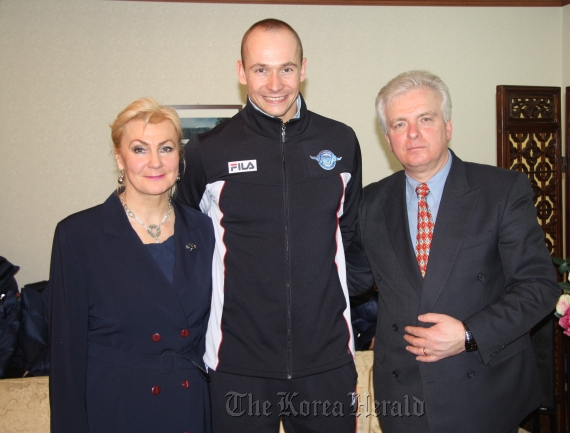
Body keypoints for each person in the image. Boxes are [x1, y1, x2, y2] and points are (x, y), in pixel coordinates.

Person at [346, 71, 561, 433]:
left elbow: (539, 287)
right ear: (388, 139)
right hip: (403, 395)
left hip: (485, 388)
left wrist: (468, 334)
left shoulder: (501, 190)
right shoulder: (370, 202)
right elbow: (347, 277)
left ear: (448, 126)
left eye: (424, 119)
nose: (412, 133)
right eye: (399, 124)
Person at [175, 18, 362, 433]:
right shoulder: (207, 152)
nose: (274, 83)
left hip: (326, 364)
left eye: (286, 69)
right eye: (261, 69)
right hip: (238, 366)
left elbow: (348, 238)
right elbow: (185, 245)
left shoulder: (342, 142)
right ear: (241, 72)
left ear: (304, 68)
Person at [48, 98, 215, 433]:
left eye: (166, 148)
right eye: (140, 149)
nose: (155, 162)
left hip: (190, 407)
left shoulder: (203, 229)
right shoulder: (78, 235)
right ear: (118, 157)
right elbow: (66, 358)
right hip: (117, 408)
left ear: (179, 158)